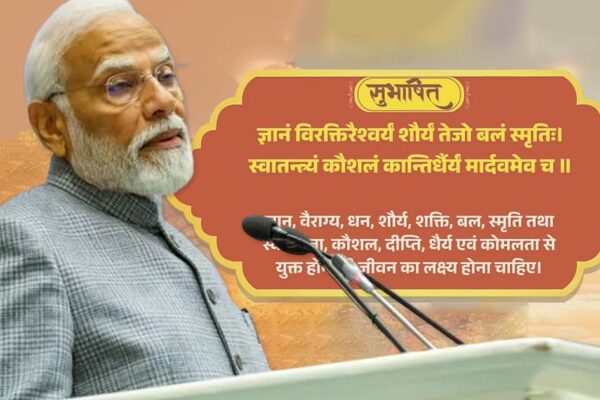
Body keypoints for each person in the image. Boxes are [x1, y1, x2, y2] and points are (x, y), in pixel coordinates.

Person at [0, 0, 270, 398]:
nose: (163, 102)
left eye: (166, 75)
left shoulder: (176, 244)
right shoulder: (26, 238)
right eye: (119, 85)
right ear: (52, 125)